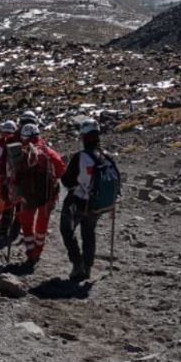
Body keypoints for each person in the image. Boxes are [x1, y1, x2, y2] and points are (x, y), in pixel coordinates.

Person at [60, 119, 121, 281]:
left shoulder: (80, 157)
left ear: (84, 137)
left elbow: (66, 180)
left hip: (78, 201)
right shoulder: (107, 157)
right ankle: (87, 268)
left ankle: (77, 263)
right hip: (97, 205)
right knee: (89, 233)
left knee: (67, 229)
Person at [14, 123, 65, 268]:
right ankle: (38, 252)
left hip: (27, 196)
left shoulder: (21, 153)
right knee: (41, 225)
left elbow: (14, 175)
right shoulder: (48, 151)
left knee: (27, 223)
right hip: (46, 195)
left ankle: (30, 252)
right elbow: (61, 170)